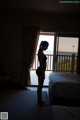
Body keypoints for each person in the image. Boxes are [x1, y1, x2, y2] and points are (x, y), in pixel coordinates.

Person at [36, 41, 49, 105]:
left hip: (41, 70)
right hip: (41, 70)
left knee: (40, 86)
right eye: (47, 46)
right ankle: (39, 101)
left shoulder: (40, 51)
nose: (47, 47)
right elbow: (41, 63)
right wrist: (43, 73)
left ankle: (39, 100)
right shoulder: (40, 52)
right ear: (43, 46)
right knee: (40, 86)